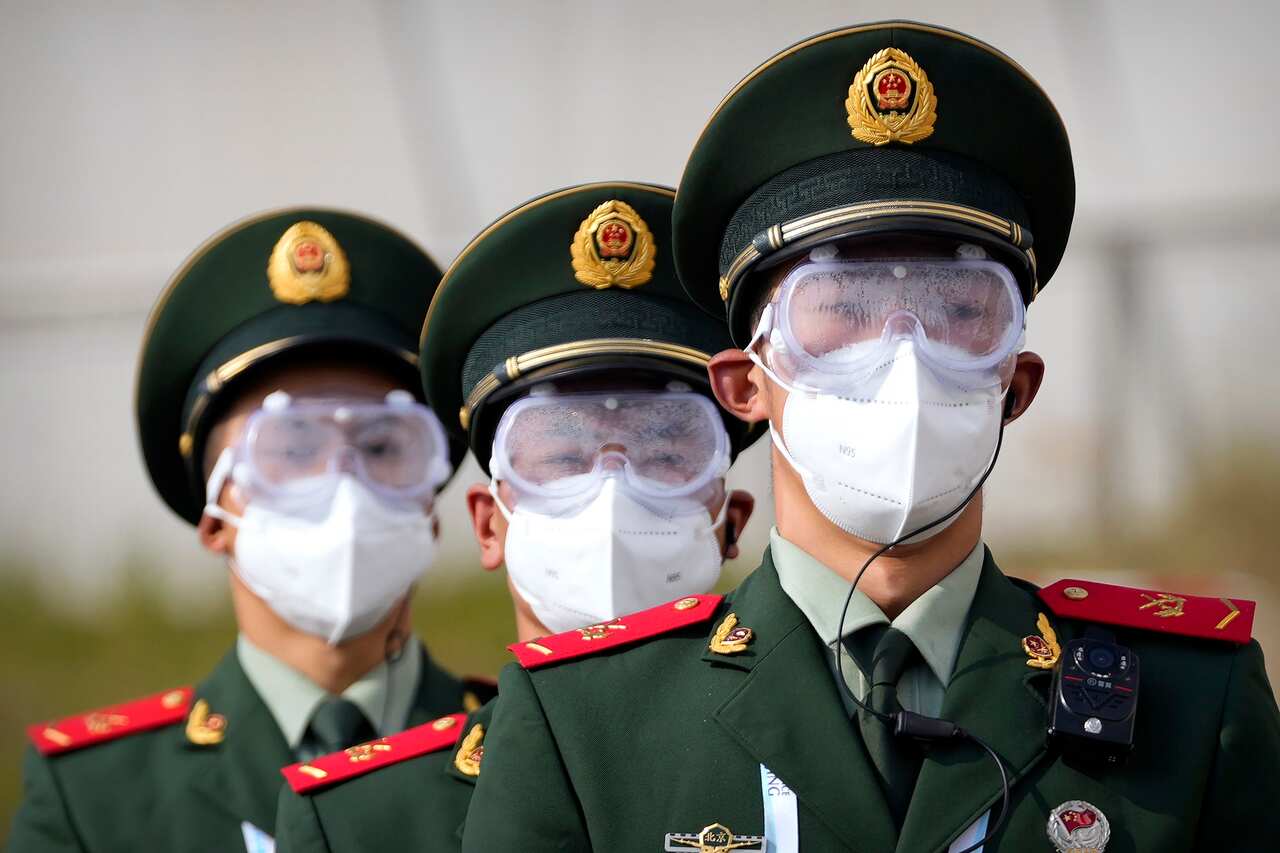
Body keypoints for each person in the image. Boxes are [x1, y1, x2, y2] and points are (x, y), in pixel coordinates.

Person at [460, 22, 1280, 853]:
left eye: (960, 312)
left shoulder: (1192, 701)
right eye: (840, 312)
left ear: (1016, 385)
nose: (904, 356)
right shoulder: (585, 721)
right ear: (746, 388)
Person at [273, 182, 759, 852]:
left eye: (665, 451)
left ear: (731, 520)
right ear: (489, 523)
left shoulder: (816, 766)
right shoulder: (362, 824)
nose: (611, 491)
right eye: (560, 456)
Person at [10, 209, 492, 852]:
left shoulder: (527, 758)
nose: (343, 485)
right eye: (290, 449)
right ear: (215, 517)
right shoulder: (99, 798)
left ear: (428, 504)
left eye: (383, 446)